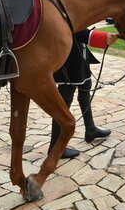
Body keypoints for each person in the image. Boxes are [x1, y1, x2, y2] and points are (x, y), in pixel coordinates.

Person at [50, 27, 118, 159]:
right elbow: (74, 27)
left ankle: (90, 129)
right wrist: (103, 38)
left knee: (85, 88)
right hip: (68, 59)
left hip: (79, 54)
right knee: (63, 102)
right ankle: (55, 147)